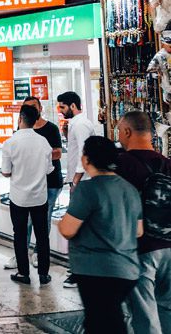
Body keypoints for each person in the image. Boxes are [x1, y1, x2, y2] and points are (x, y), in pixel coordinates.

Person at [58, 136, 143, 334]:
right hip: (127, 269)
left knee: (100, 322)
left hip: (95, 270)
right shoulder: (129, 189)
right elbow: (138, 231)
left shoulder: (88, 189)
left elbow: (68, 229)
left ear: (86, 160)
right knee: (108, 319)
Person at [114, 111, 171, 334]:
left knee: (144, 312)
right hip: (169, 244)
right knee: (167, 307)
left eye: (119, 130)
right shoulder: (167, 163)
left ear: (127, 131)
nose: (119, 135)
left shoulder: (121, 164)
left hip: (140, 247)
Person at [4, 96, 63, 270]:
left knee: (39, 225)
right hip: (35, 189)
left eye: (33, 107)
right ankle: (31, 262)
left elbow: (57, 153)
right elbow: (45, 166)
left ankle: (32, 260)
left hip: (46, 186)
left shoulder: (50, 130)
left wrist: (31, 159)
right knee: (32, 226)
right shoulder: (24, 136)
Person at [57, 91, 96, 288]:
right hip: (81, 182)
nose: (60, 111)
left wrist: (76, 181)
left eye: (63, 107)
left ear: (73, 106)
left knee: (76, 228)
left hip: (83, 182)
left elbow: (83, 153)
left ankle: (76, 272)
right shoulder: (77, 124)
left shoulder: (80, 125)